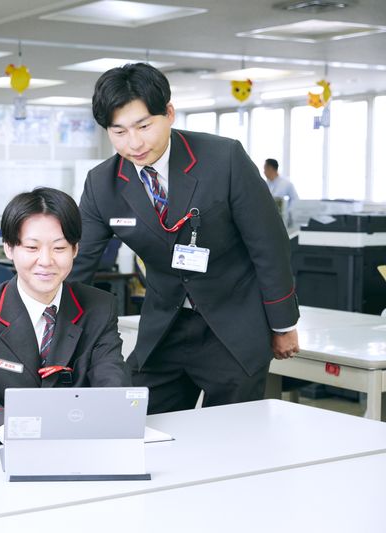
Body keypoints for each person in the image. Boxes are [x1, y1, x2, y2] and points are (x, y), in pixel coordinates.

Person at [69, 63, 299, 415]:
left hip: (233, 324)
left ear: (169, 113)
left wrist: (283, 324)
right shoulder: (102, 184)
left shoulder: (223, 159)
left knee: (231, 436)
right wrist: (55, 330)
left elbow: (269, 245)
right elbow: (78, 262)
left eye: (144, 126)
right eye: (119, 131)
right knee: (134, 423)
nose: (134, 143)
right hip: (164, 327)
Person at [0, 187, 131, 444]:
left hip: (80, 442)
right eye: (32, 247)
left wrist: (107, 419)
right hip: (5, 446)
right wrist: (16, 433)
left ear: (75, 249)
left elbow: (111, 378)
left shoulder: (100, 307)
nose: (46, 261)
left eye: (59, 248)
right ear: (9, 248)